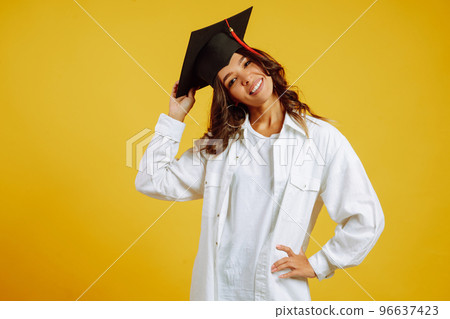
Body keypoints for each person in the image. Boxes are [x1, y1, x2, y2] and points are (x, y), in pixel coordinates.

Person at [135, 7, 385, 301]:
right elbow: (151, 180)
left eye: (246, 63)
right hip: (217, 298)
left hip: (277, 298)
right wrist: (174, 118)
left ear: (261, 62)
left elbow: (367, 218)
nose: (246, 78)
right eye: (231, 80)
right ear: (228, 96)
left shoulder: (320, 139)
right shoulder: (220, 147)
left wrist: (320, 264)